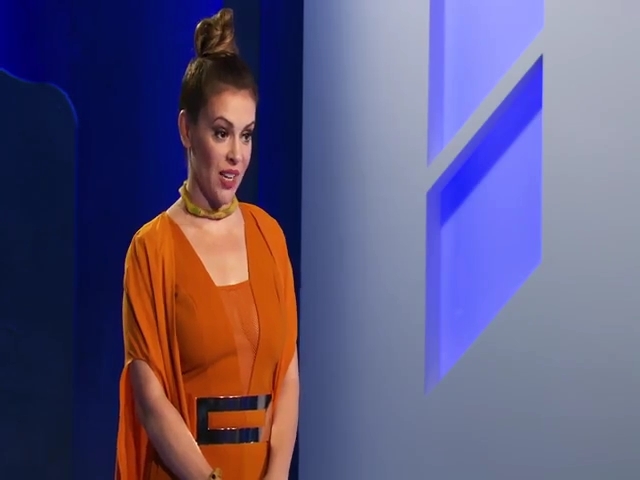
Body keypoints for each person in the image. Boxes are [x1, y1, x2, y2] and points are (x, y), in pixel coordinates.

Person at [115, 8, 299, 480]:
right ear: (186, 130)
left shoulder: (269, 236)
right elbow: (150, 397)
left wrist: (277, 476)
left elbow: (288, 374)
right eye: (221, 133)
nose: (237, 154)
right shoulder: (151, 249)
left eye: (247, 135)